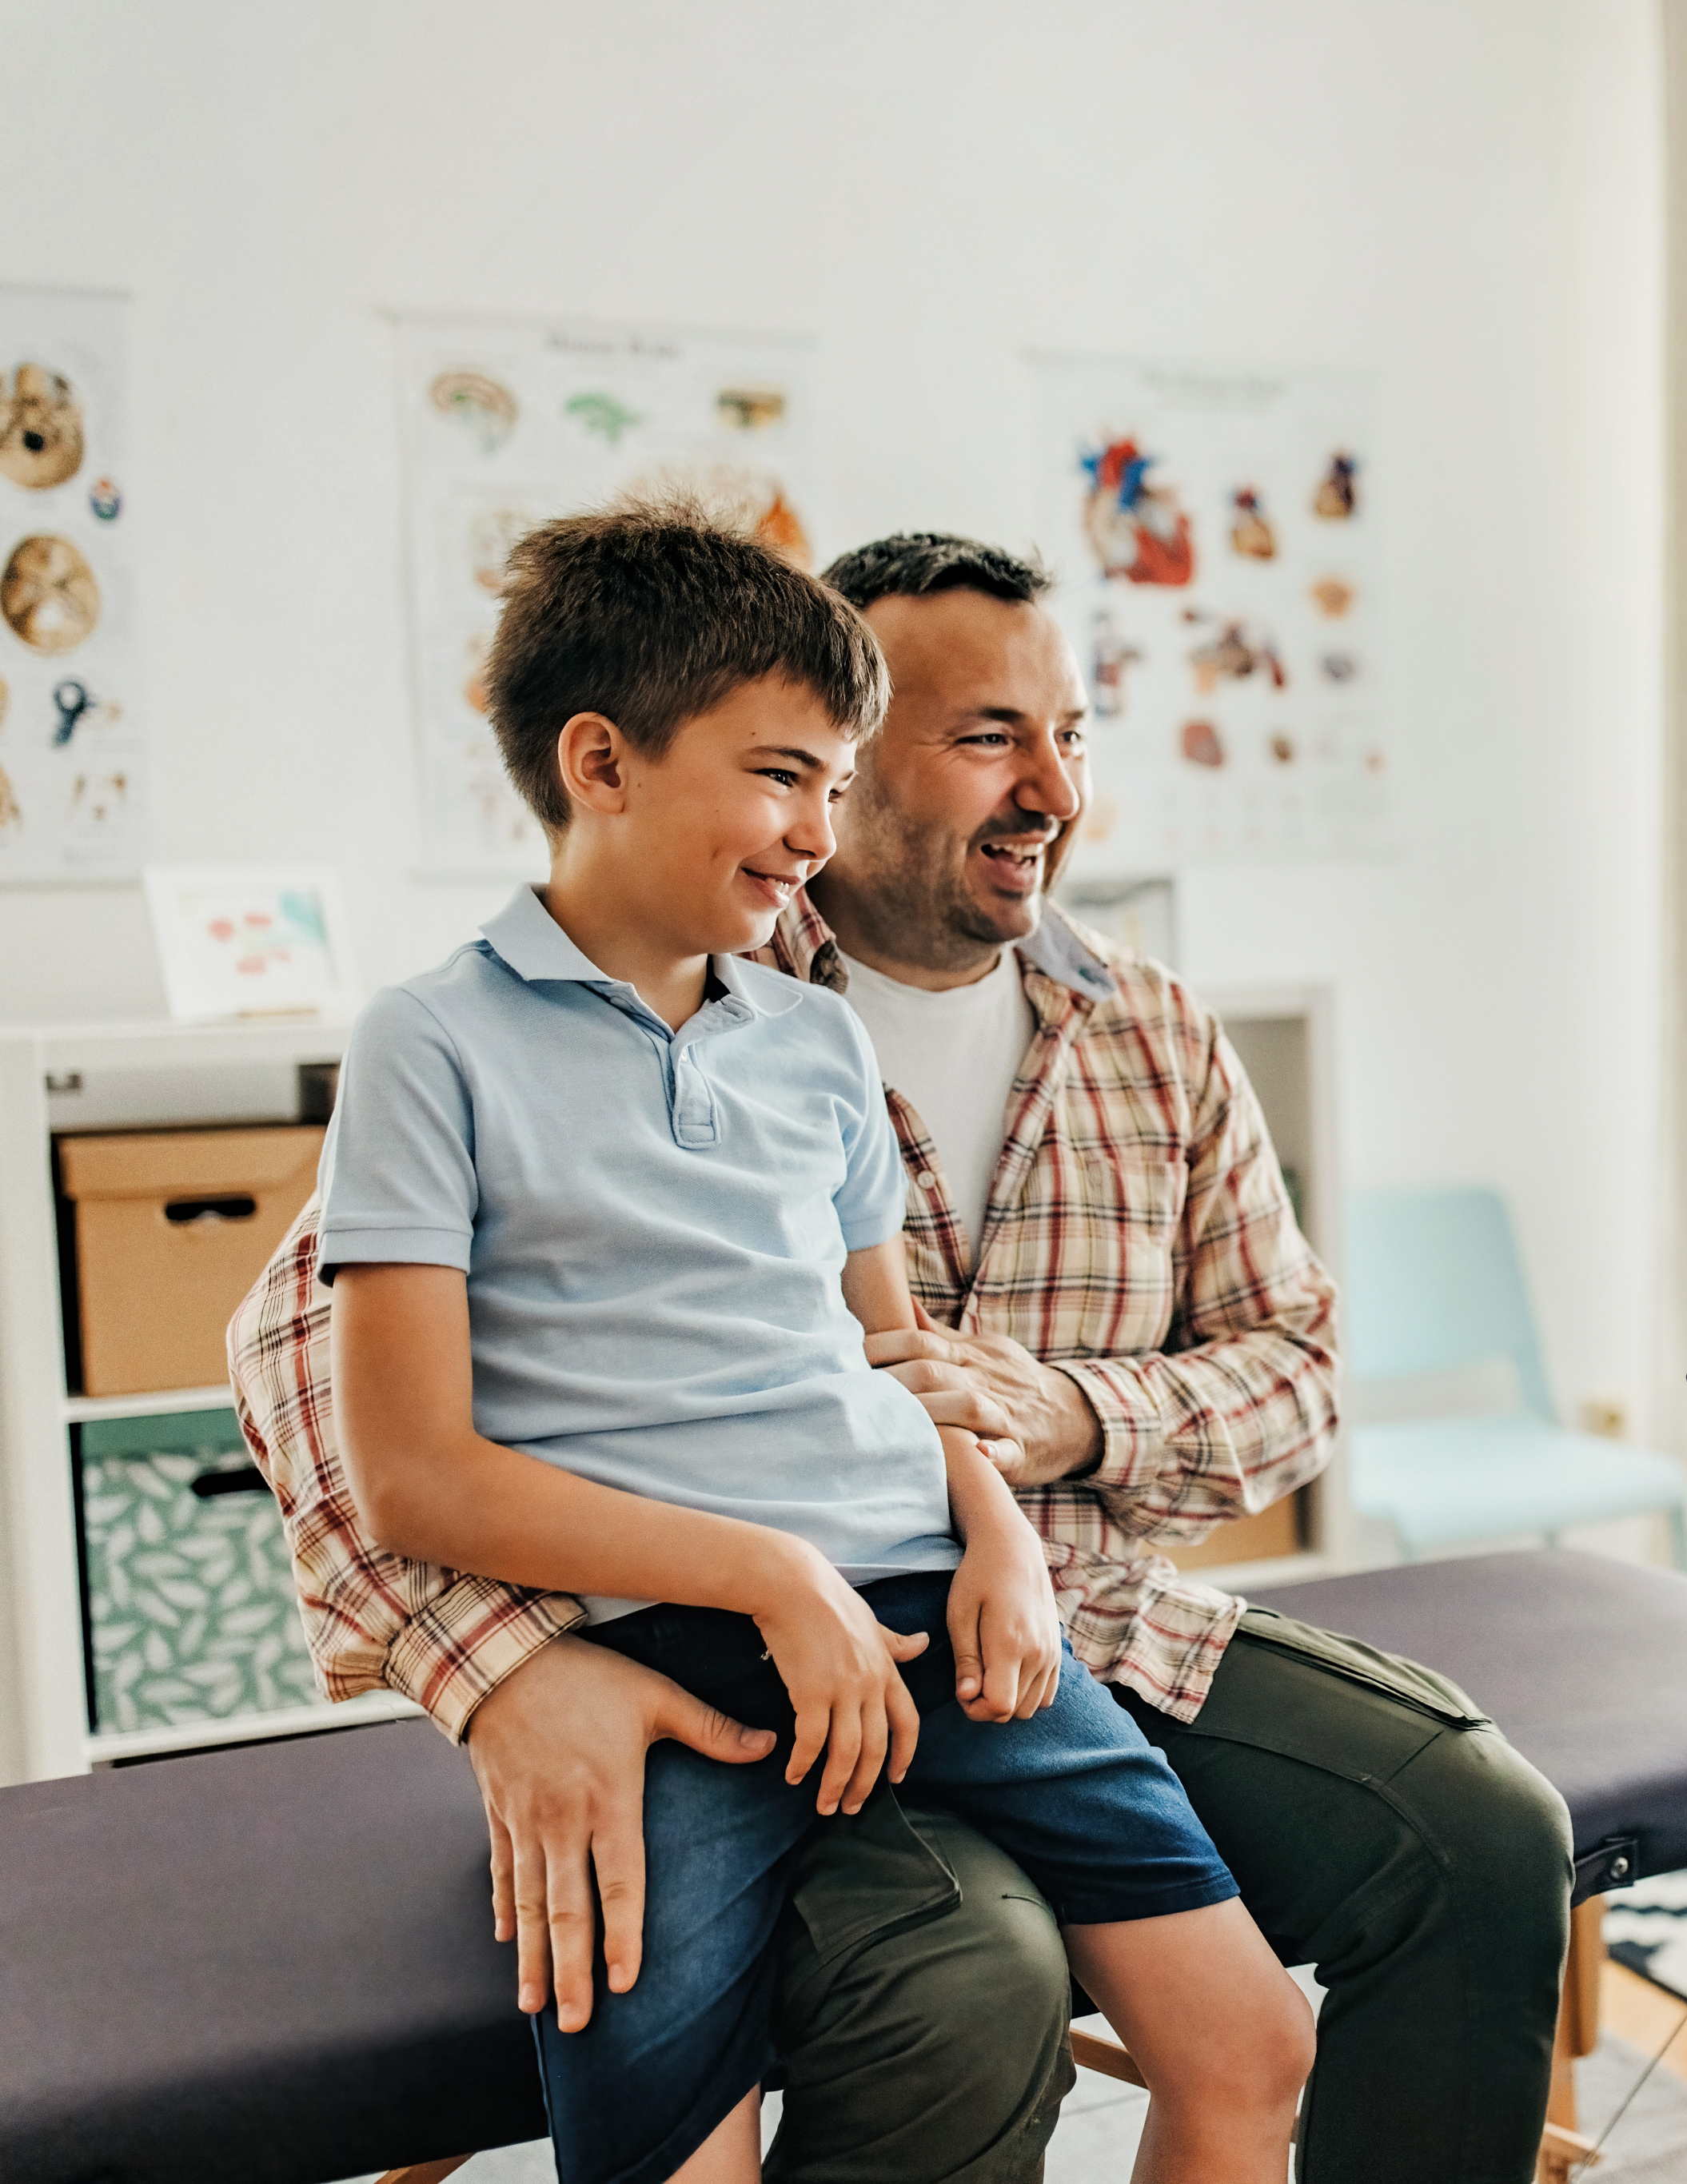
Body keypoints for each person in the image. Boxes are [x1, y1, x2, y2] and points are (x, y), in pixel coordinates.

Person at [232, 529, 1573, 2184]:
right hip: (734, 1646)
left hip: (1067, 1626)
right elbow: (315, 1381)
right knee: (966, 1977)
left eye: (1070, 734)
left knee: (1479, 1828)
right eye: (988, 737)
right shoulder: (548, 1014)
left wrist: (1061, 1428)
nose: (1053, 790)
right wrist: (505, 1669)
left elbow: (1292, 1367)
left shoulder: (1137, 1030)